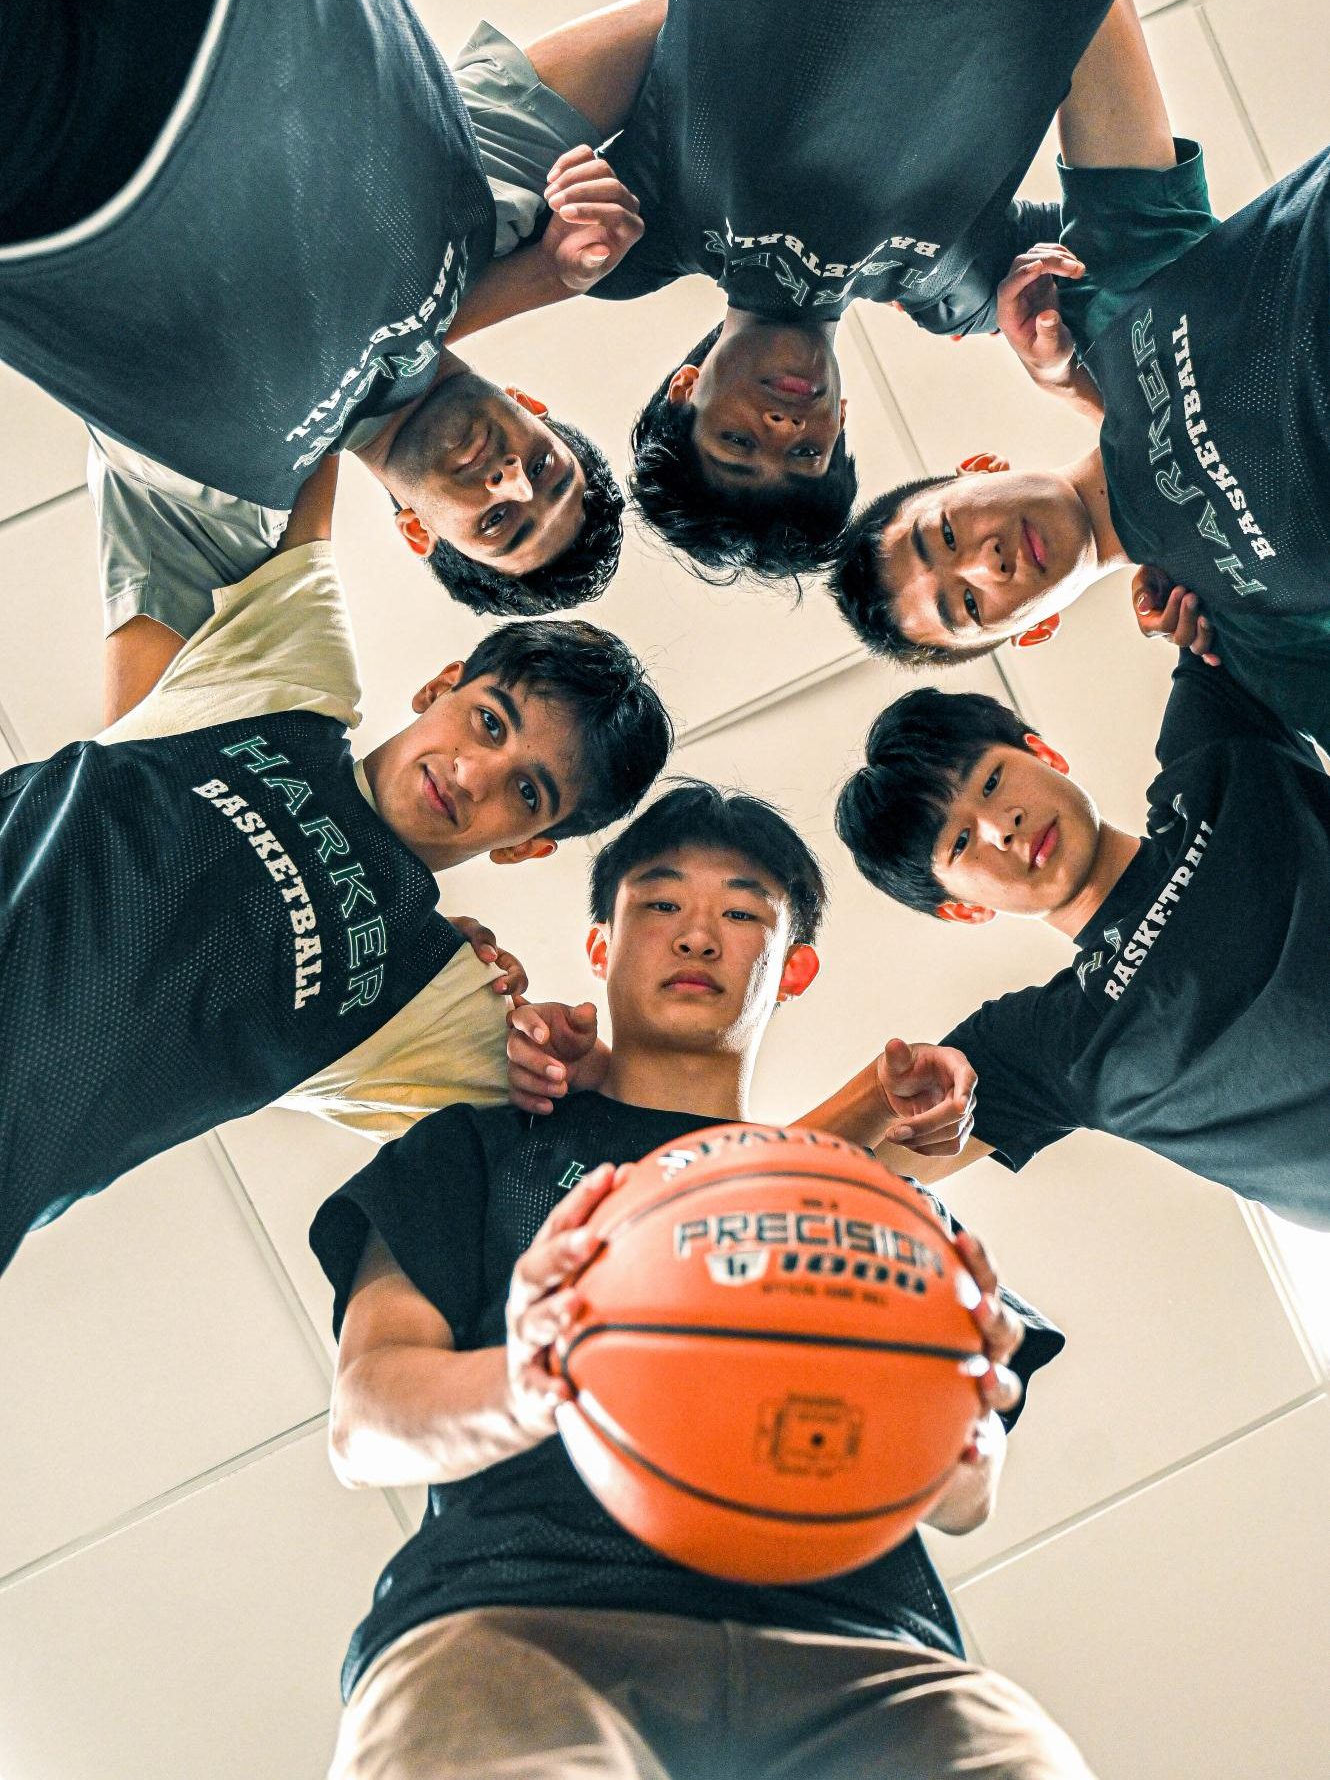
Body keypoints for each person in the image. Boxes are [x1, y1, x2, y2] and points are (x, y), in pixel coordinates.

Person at [309, 782, 1094, 1780]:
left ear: (793, 966)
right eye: (660, 904)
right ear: (600, 944)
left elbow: (958, 1500)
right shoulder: (478, 1150)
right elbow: (365, 1424)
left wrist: (968, 1418)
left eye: (740, 912)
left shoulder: (876, 1205)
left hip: (861, 1650)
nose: (696, 936)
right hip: (518, 1625)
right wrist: (555, 1372)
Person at [0, 457, 672, 1281]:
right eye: (489, 722)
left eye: (526, 791)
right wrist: (416, 429)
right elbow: (293, 423)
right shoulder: (290, 686)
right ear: (440, 687)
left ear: (528, 845)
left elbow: (629, 1161)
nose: (472, 774)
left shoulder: (431, 996)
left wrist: (575, 1068)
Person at [0, 0, 639, 637]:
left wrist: (537, 283)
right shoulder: (492, 218)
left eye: (499, 523)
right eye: (544, 468)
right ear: (534, 409)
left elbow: (142, 739)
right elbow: (710, 13)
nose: (511, 480)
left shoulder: (234, 491)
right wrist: (546, 273)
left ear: (417, 531)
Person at [456, 0, 1129, 582]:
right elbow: (1150, 231)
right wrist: (1063, 377)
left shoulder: (637, 246)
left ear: (687, 392)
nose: (782, 426)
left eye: (739, 443)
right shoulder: (961, 294)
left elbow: (484, 134)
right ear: (838, 422)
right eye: (806, 455)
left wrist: (554, 246)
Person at [828, 0, 1330, 755]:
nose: (986, 563)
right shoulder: (1246, 644)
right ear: (1033, 633)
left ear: (975, 467)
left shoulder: (1096, 308)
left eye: (948, 533)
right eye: (967, 603)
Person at [833, 661, 1330, 1230]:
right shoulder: (1045, 1045)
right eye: (962, 841)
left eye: (992, 781)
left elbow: (1238, 590)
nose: (1003, 827)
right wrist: (880, 1091)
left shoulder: (1220, 758)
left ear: (1044, 754)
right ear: (963, 908)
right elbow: (813, 1185)